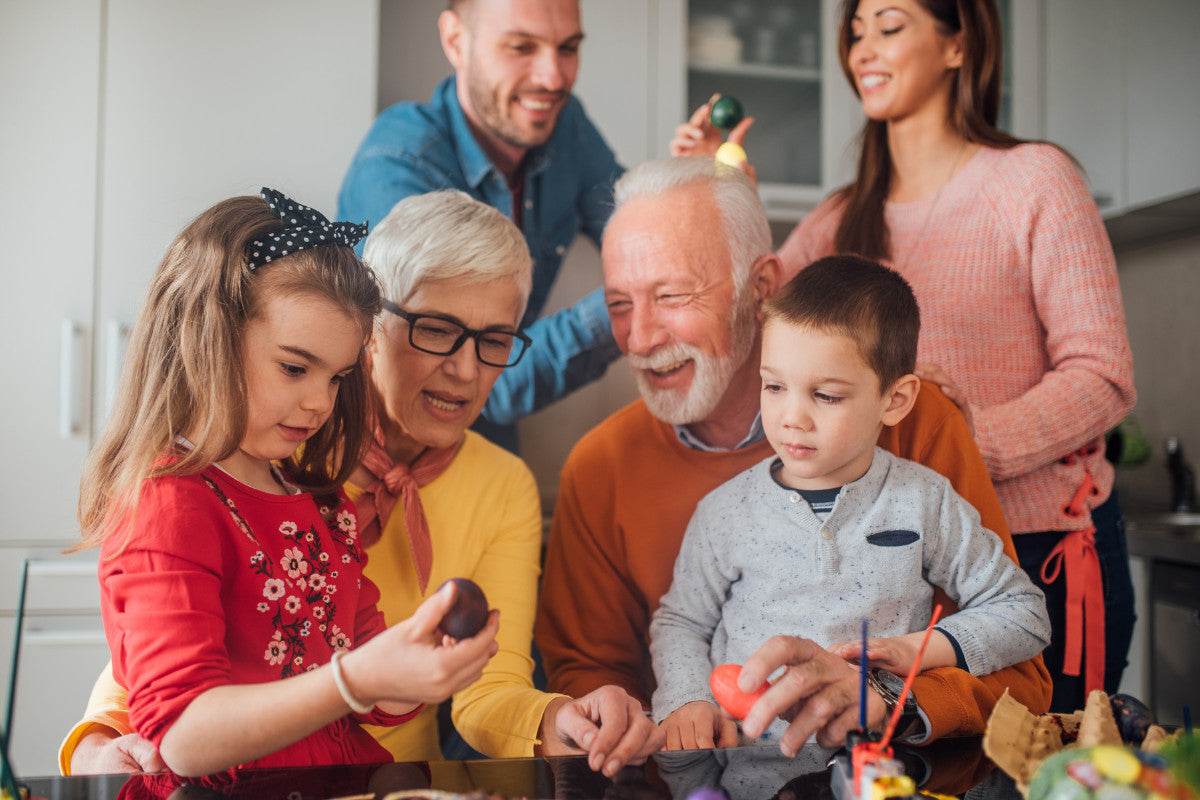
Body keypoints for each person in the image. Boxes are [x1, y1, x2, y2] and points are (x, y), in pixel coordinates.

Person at [61, 191, 663, 777]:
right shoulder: (283, 455)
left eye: (494, 340)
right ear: (375, 330)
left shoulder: (319, 484)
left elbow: (477, 689)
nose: (465, 367)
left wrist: (557, 717)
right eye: (436, 329)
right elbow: (162, 661)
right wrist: (98, 740)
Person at [534, 156, 1052, 756]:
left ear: (761, 288)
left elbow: (1025, 678)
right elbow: (589, 681)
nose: (641, 337)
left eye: (672, 295)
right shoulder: (599, 467)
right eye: (619, 304)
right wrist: (651, 715)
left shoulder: (920, 429)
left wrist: (889, 700)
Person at [758, 0, 1135, 713]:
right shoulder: (840, 218)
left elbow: (1103, 375)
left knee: (1052, 768)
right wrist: (723, 189)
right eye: (856, 32)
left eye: (890, 26)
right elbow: (755, 320)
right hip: (902, 565)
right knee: (922, 769)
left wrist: (959, 444)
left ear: (959, 44)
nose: (863, 49)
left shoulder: (1034, 180)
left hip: (1038, 548)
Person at [649, 255, 1050, 750]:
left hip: (886, 770)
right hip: (749, 773)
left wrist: (915, 651)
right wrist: (687, 699)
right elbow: (681, 622)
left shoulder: (925, 501)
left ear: (895, 400)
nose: (792, 417)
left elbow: (1023, 613)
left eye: (827, 396)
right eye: (774, 386)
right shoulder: (723, 512)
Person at [338, 0, 625, 450]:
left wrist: (689, 202)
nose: (553, 78)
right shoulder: (398, 163)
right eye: (520, 47)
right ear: (456, 40)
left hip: (486, 449)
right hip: (373, 451)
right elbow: (484, 383)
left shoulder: (567, 127)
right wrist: (631, 305)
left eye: (568, 48)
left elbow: (634, 225)